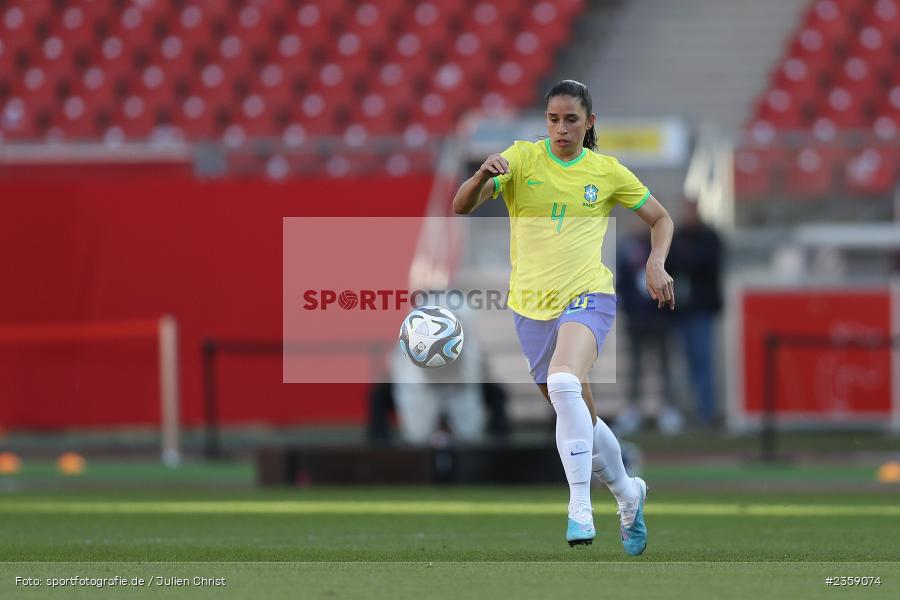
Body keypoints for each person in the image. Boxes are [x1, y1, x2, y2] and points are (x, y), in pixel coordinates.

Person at [451, 79, 675, 555]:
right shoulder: (522, 158)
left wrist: (656, 261)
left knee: (563, 383)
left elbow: (661, 218)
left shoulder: (607, 171)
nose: (561, 128)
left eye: (571, 119)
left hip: (589, 296)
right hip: (530, 307)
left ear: (589, 123)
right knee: (580, 417)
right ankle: (629, 493)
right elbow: (461, 206)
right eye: (553, 119)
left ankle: (579, 505)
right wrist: (478, 176)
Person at [616, 227, 681, 435]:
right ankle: (633, 410)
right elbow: (623, 281)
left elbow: (673, 276)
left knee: (664, 365)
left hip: (659, 316)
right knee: (635, 366)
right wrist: (628, 309)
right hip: (637, 318)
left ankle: (667, 409)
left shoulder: (664, 247)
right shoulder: (628, 247)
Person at [667, 201, 723, 426]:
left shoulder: (709, 237)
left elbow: (708, 264)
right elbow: (669, 263)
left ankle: (706, 411)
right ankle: (689, 411)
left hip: (701, 310)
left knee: (703, 360)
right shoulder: (678, 237)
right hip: (682, 310)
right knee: (686, 362)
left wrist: (687, 261)